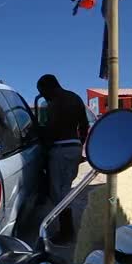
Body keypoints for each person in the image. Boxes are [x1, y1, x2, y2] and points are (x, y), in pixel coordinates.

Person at [37, 74, 89, 244]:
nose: (43, 96)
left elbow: (52, 128)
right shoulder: (75, 97)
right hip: (74, 148)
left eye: (42, 92)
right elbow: (84, 125)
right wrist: (79, 145)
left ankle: (66, 232)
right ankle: (67, 229)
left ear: (48, 88)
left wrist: (44, 146)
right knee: (66, 187)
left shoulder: (55, 102)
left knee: (59, 192)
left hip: (61, 149)